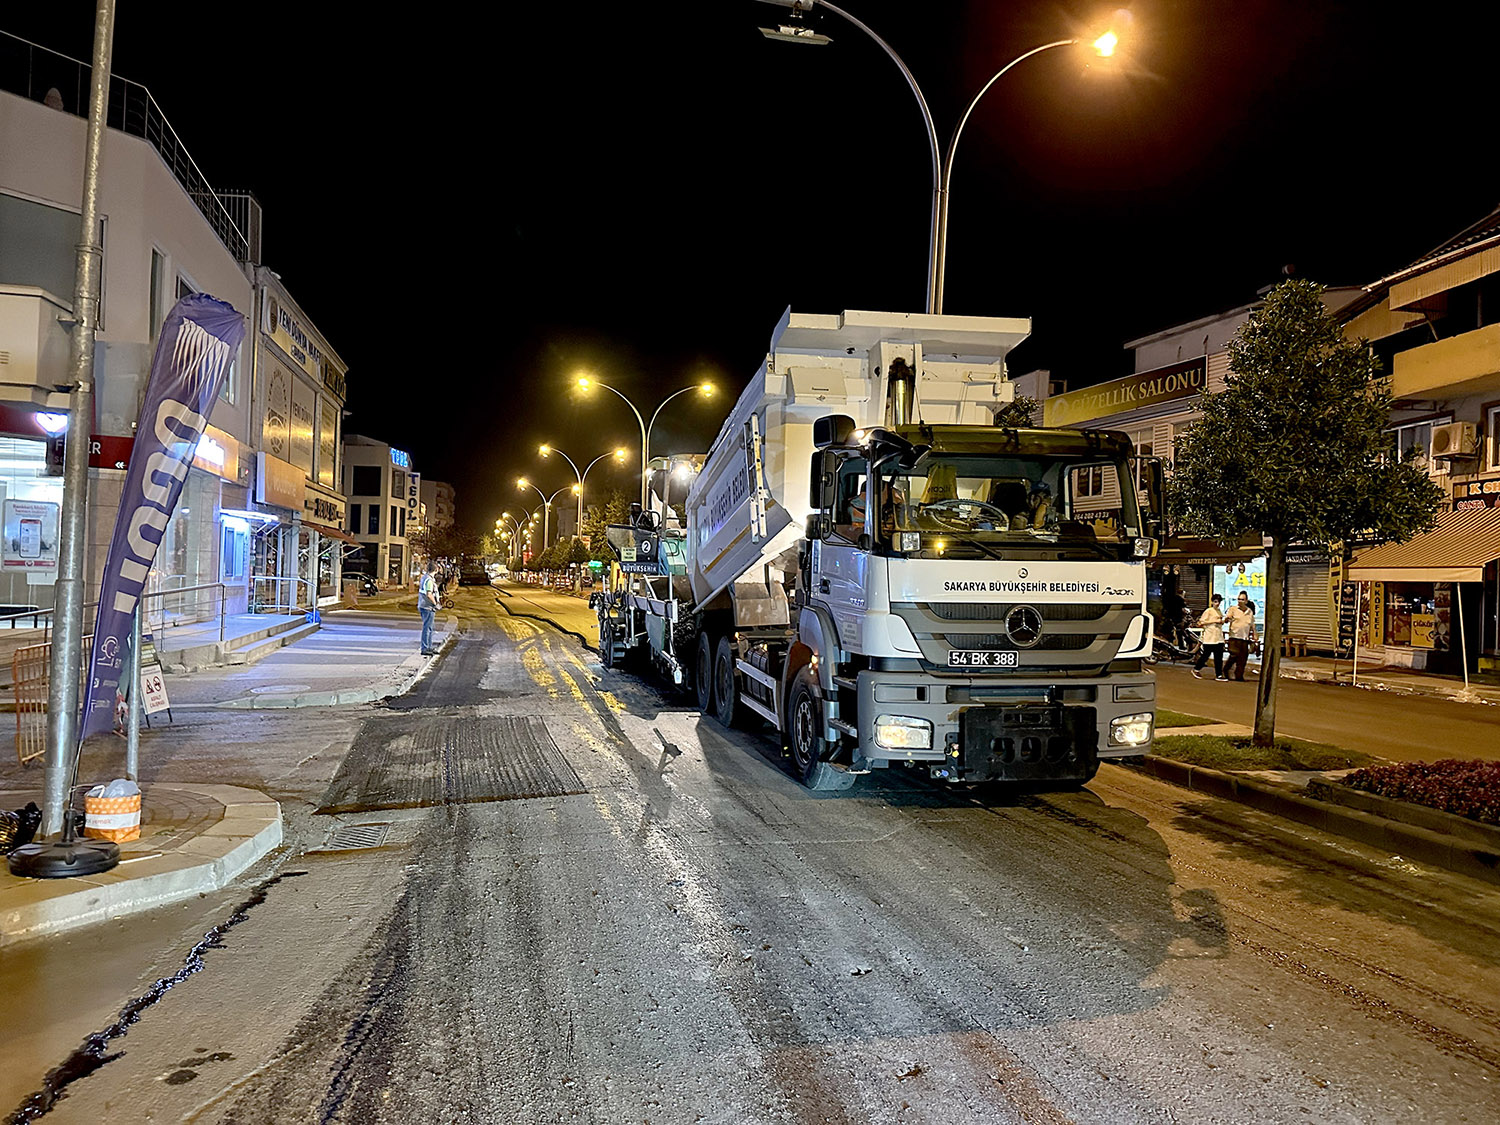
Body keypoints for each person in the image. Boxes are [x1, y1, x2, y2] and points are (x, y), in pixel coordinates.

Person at [1222, 592, 1258, 681]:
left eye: (1242, 599)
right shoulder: (1233, 609)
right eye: (1238, 599)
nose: (1240, 601)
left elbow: (1252, 624)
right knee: (1234, 654)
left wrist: (1255, 634)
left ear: (1246, 601)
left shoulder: (1249, 612)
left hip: (1244, 637)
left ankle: (1239, 675)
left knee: (1243, 657)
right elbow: (1227, 619)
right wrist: (1227, 619)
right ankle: (1226, 669)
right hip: (1234, 636)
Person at [1191, 593, 1227, 680]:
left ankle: (1219, 674)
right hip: (1209, 637)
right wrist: (1214, 621)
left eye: (1218, 602)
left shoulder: (1219, 611)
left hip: (1218, 637)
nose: (1217, 603)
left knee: (1219, 657)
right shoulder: (1208, 611)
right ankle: (1196, 669)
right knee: (1206, 655)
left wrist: (1222, 621)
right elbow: (1201, 623)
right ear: (1212, 602)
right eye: (1215, 601)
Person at [418, 560, 441, 656]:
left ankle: (428, 647)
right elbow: (429, 594)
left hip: (424, 606)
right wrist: (436, 603)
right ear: (436, 569)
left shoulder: (425, 578)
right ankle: (425, 647)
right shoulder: (429, 580)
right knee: (427, 628)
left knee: (429, 627)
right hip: (427, 607)